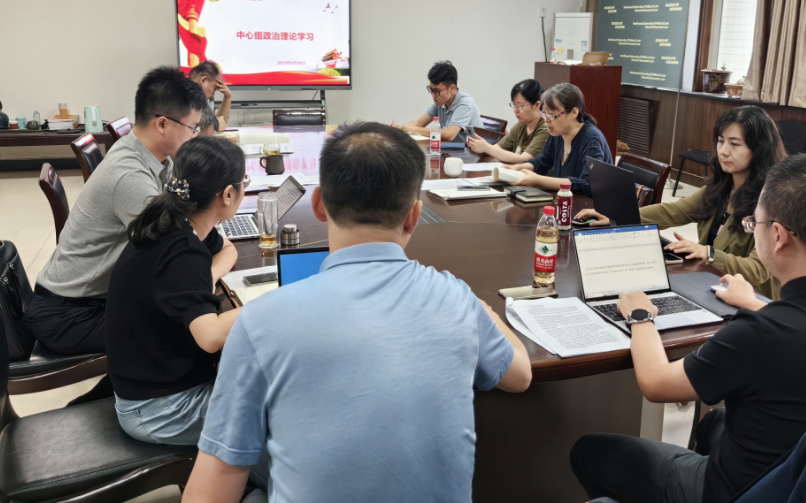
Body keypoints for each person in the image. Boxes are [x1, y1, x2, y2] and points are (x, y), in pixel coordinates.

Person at [181, 122, 532, 503]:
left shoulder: (259, 322)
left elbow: (209, 494)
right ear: (414, 215)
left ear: (318, 205)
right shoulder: (456, 299)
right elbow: (520, 376)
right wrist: (485, 311)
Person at [569, 153, 806, 503]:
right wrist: (755, 302)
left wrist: (640, 316)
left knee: (589, 451)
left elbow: (656, 383)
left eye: (754, 223)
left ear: (778, 235)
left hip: (738, 492)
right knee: (714, 423)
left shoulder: (759, 333)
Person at [26, 66, 205, 356]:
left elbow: (180, 206)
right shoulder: (129, 175)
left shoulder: (157, 157)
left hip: (91, 299)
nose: (195, 136)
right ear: (162, 124)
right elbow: (175, 247)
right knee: (188, 331)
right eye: (193, 127)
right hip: (69, 314)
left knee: (188, 310)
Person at [107, 136, 244, 445]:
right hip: (159, 409)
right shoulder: (183, 250)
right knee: (279, 410)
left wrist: (203, 280)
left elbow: (228, 250)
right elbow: (210, 337)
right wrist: (278, 302)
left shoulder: (174, 219)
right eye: (243, 183)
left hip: (154, 385)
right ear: (228, 194)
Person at [574, 105, 786, 299]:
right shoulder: (720, 187)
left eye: (735, 144)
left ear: (759, 149)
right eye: (721, 141)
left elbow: (757, 270)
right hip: (712, 286)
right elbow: (672, 211)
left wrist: (708, 253)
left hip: (752, 301)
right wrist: (618, 215)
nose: (723, 151)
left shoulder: (773, 201)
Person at [503, 83, 612, 196]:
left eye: (552, 115)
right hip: (565, 201)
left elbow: (587, 184)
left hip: (589, 205)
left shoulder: (592, 138)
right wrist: (516, 168)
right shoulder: (558, 133)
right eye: (544, 114)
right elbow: (542, 163)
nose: (546, 120)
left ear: (574, 113)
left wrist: (538, 180)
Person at [466, 79, 550, 163]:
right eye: (514, 105)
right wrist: (477, 145)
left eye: (520, 106)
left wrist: (487, 148)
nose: (515, 110)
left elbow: (524, 159)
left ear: (537, 105)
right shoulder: (520, 126)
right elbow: (497, 148)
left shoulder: (546, 128)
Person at [400, 61, 482, 143]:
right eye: (431, 90)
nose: (433, 95)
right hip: (450, 148)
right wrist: (400, 129)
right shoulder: (441, 102)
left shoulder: (465, 104)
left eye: (436, 91)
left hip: (470, 150)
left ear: (452, 88)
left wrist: (413, 129)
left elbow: (449, 134)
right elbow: (419, 122)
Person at [188, 61, 231, 133]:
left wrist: (227, 97)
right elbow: (188, 136)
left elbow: (220, 123)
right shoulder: (182, 102)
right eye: (214, 89)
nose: (212, 96)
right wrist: (214, 127)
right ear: (203, 80)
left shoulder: (199, 102)